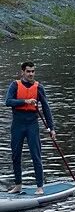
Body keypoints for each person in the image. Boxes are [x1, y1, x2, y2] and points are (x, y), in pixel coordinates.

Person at [6, 61, 55, 195]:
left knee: (36, 155)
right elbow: (8, 101)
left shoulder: (39, 88)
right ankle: (18, 185)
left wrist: (51, 128)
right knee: (16, 155)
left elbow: (46, 108)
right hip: (17, 124)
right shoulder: (14, 85)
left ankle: (39, 187)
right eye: (28, 71)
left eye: (33, 71)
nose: (31, 74)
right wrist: (25, 101)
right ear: (23, 72)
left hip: (32, 125)